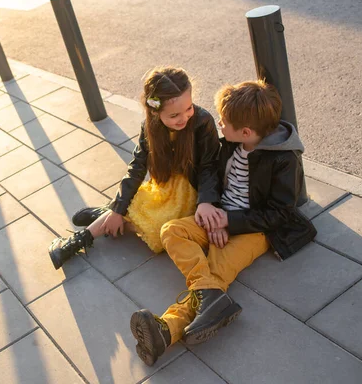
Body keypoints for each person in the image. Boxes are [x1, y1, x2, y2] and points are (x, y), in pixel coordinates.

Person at [129, 80, 317, 366]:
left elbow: (280, 213)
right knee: (172, 231)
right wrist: (213, 210)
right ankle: (211, 298)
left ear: (246, 132)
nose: (219, 124)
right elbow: (214, 177)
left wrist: (229, 221)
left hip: (254, 230)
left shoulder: (283, 160)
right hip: (220, 215)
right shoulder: (231, 145)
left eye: (224, 122)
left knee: (215, 269)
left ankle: (167, 330)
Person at [48, 66, 224, 269]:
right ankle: (76, 241)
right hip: (165, 186)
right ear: (155, 112)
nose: (184, 117)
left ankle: (106, 215)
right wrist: (118, 209)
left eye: (189, 108)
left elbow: (209, 166)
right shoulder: (150, 127)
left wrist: (207, 202)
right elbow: (137, 167)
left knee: (159, 226)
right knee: (133, 205)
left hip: (193, 189)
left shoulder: (202, 121)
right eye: (174, 115)